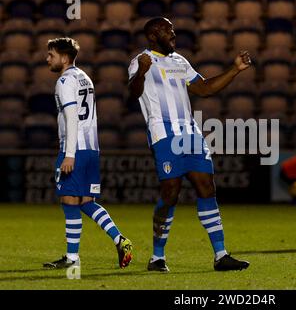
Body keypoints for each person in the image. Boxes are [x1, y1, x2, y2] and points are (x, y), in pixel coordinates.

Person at [128, 17, 250, 272]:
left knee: (206, 186)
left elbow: (204, 88)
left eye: (172, 30)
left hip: (190, 134)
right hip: (164, 134)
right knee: (170, 193)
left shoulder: (179, 61)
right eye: (167, 30)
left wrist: (235, 69)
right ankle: (157, 257)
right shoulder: (142, 61)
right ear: (153, 36)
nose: (173, 34)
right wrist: (141, 70)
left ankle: (221, 255)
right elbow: (133, 92)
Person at [44, 38, 132, 269]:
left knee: (68, 200)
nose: (47, 59)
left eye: (51, 55)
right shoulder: (85, 77)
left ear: (64, 58)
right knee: (85, 201)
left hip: (74, 149)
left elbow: (72, 117)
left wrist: (69, 154)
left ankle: (72, 257)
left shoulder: (64, 81)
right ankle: (119, 239)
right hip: (92, 149)